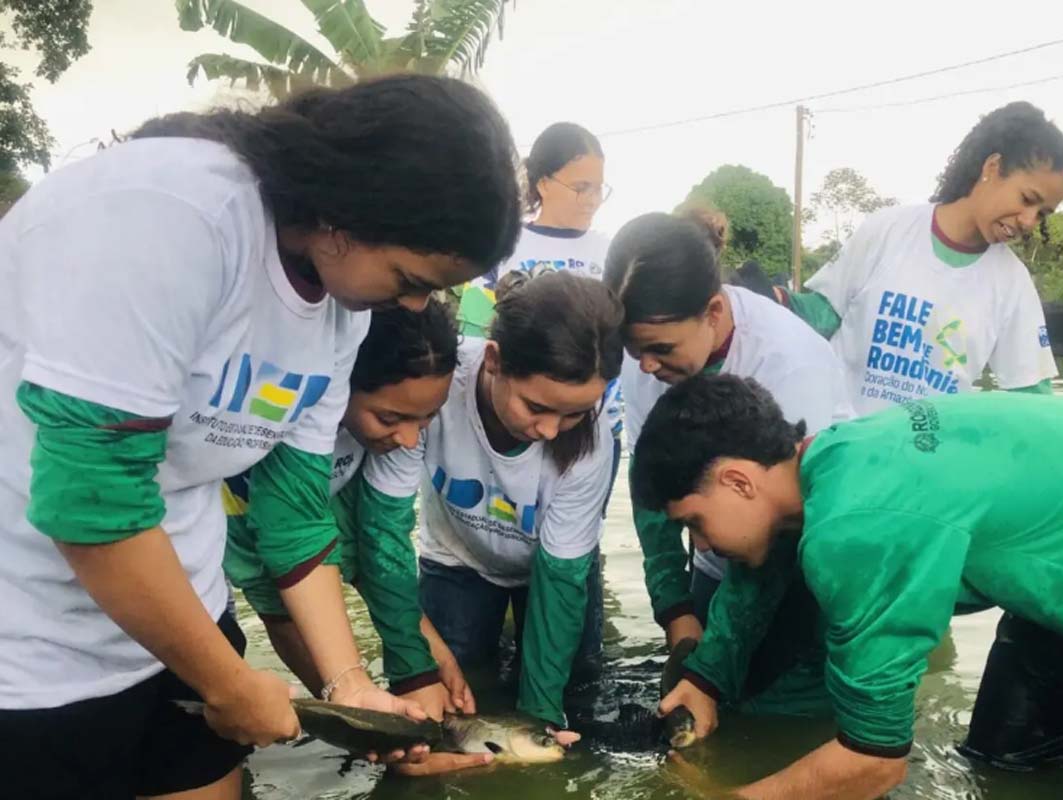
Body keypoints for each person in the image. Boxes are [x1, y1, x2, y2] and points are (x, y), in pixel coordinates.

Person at [0, 74, 521, 800]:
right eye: (409, 276)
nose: (414, 304)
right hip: (24, 645)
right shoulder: (172, 213)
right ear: (345, 211)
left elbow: (295, 512)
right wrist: (230, 681)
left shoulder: (345, 308)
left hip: (180, 612)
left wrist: (349, 685)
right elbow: (89, 502)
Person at [635, 373, 1063, 800]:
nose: (701, 546)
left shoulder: (857, 530)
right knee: (1002, 767)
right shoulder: (834, 458)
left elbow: (877, 762)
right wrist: (705, 680)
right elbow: (767, 566)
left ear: (737, 480)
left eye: (694, 523)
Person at [221, 302, 494, 776]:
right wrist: (356, 707)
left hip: (327, 494)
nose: (409, 439)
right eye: (390, 419)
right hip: (239, 516)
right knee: (276, 608)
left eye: (426, 419)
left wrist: (425, 654)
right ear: (342, 380)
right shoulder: (290, 428)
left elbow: (381, 545)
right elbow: (281, 589)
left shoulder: (386, 435)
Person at [602, 212, 851, 712]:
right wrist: (676, 611)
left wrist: (716, 666)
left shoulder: (791, 363)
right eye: (635, 351)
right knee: (700, 699)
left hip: (803, 558)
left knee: (780, 710)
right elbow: (655, 487)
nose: (647, 366)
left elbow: (781, 532)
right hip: (720, 544)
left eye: (660, 349)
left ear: (713, 311)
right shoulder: (647, 359)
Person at [363, 272, 623, 737]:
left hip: (551, 566)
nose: (550, 430)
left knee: (574, 694)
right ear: (494, 361)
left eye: (575, 413)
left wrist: (539, 724)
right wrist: (414, 667)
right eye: (536, 407)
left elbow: (561, 577)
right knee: (443, 703)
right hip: (457, 559)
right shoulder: (432, 385)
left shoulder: (594, 443)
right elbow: (382, 533)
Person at [794, 102, 1063, 414]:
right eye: (1027, 199)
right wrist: (768, 302)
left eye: (1042, 214)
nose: (1028, 221)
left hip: (927, 458)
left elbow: (1033, 400)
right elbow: (819, 319)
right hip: (838, 446)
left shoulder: (1013, 284)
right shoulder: (887, 230)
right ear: (992, 168)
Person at [458, 121, 613, 337]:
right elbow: (472, 336)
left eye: (598, 188)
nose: (592, 200)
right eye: (581, 188)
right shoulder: (502, 246)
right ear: (544, 184)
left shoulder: (612, 252)